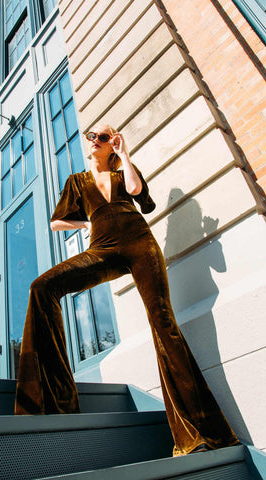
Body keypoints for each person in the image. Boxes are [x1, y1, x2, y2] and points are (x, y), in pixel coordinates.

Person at [14, 124, 239, 456]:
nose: (95, 141)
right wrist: (89, 220)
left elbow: (137, 192)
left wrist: (125, 154)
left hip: (140, 244)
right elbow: (56, 222)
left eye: (103, 137)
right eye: (92, 136)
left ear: (111, 143)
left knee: (164, 325)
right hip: (102, 247)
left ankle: (199, 433)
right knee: (42, 287)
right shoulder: (77, 181)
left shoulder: (122, 173)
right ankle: (48, 401)